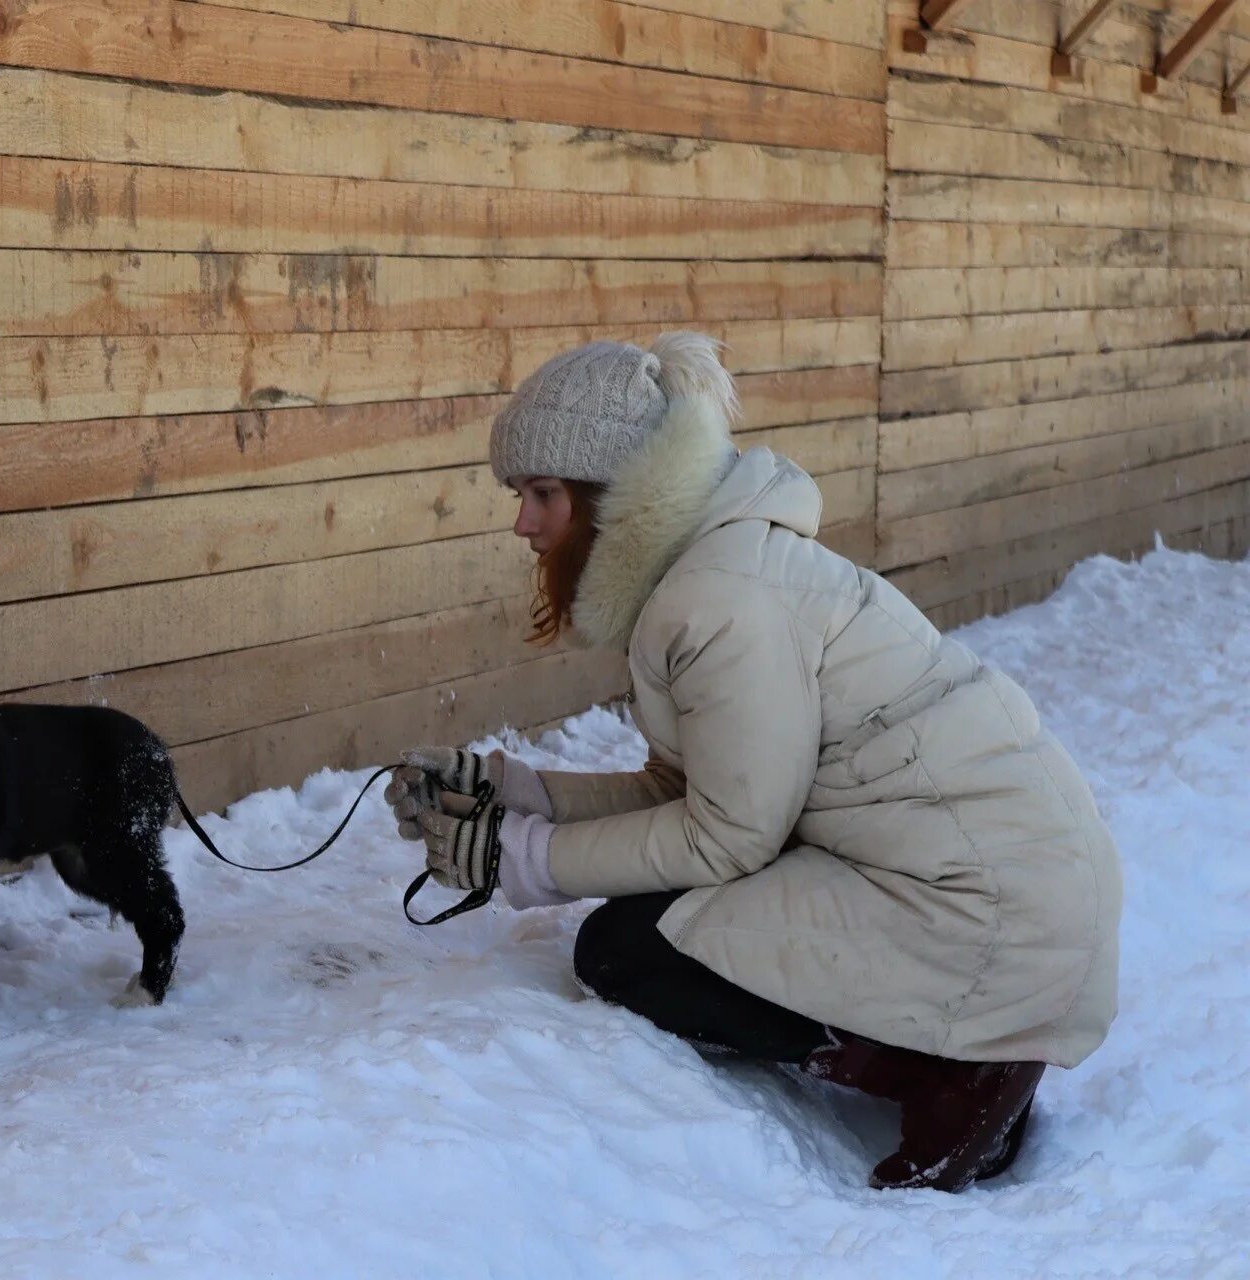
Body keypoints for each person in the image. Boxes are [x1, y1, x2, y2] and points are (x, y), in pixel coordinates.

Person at [385, 332, 1123, 1193]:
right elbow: (689, 787)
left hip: (984, 909)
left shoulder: (721, 598)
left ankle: (951, 1069)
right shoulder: (711, 570)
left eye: (543, 493)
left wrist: (522, 859)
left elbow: (728, 835)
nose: (523, 522)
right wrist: (516, 794)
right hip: (988, 881)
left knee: (626, 950)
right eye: (520, 494)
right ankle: (957, 1042)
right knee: (656, 919)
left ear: (613, 491)